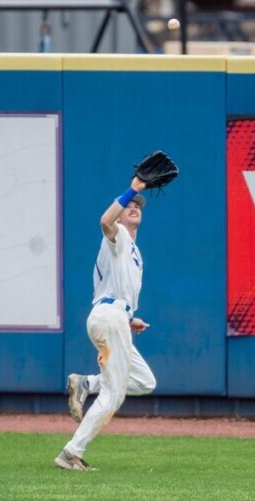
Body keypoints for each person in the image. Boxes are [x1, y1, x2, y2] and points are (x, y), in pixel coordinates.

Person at [55, 176, 157, 471]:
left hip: (116, 320)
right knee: (114, 394)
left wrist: (130, 318)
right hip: (108, 318)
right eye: (130, 205)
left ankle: (86, 383)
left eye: (139, 205)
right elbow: (105, 221)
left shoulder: (135, 253)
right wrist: (132, 190)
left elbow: (117, 292)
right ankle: (71, 453)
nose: (135, 207)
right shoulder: (118, 236)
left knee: (144, 381)